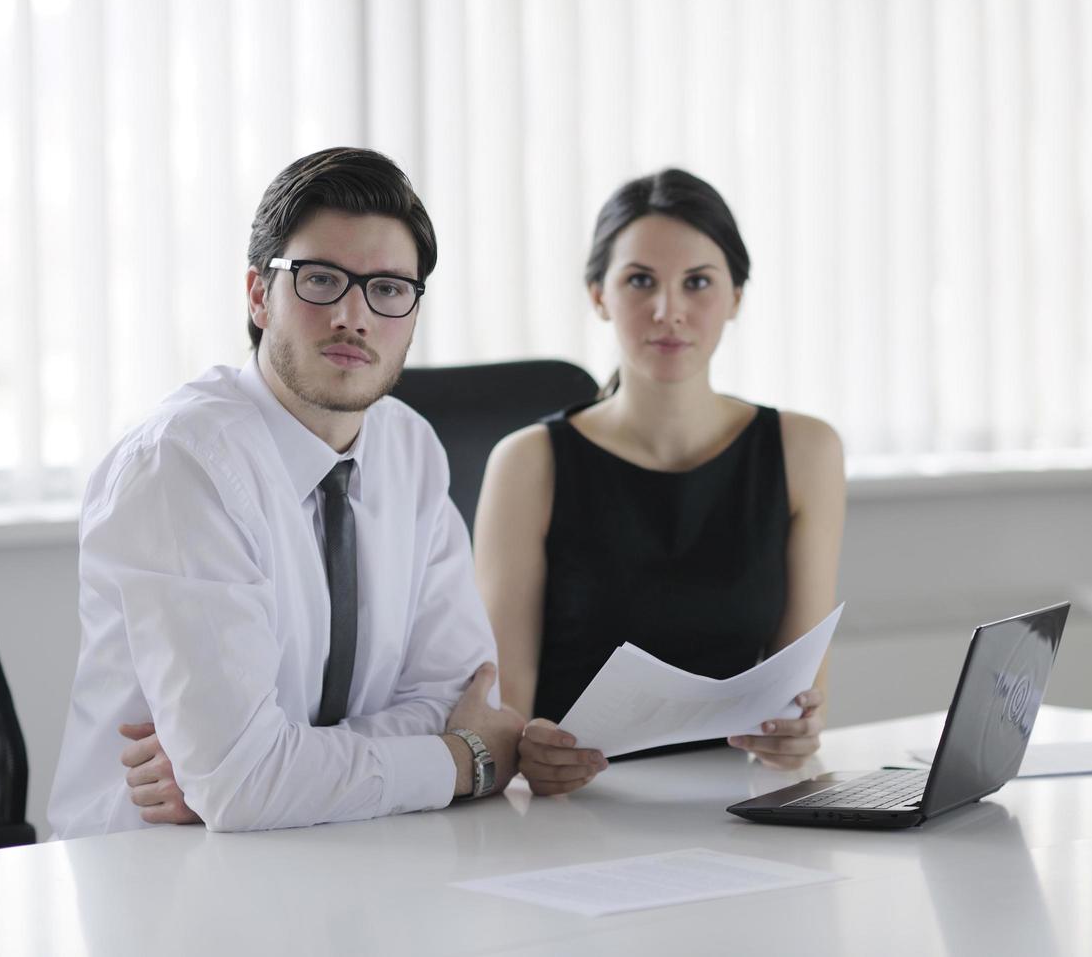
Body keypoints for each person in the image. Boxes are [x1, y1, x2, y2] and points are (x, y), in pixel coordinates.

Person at [48, 147, 524, 836]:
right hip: (157, 882)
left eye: (388, 289)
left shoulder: (409, 448)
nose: (354, 318)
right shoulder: (183, 466)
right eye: (321, 280)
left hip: (338, 854)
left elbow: (460, 694)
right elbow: (246, 784)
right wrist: (463, 759)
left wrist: (274, 769)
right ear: (257, 295)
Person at [473, 168, 846, 796]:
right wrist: (525, 749)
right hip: (574, 810)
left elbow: (801, 700)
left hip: (733, 807)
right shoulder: (528, 462)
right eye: (639, 280)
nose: (668, 311)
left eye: (697, 283)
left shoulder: (805, 450)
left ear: (736, 298)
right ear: (598, 295)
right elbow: (505, 718)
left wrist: (795, 734)